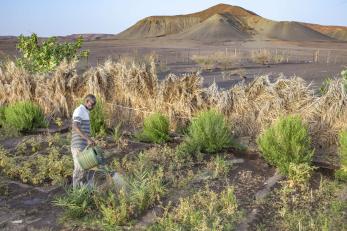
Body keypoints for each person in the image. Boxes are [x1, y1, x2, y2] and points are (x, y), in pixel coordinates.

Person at [71, 94, 96, 188]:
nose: (93, 106)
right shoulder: (79, 110)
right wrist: (88, 139)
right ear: (86, 101)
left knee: (84, 169)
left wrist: (90, 140)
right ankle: (76, 196)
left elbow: (83, 129)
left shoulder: (85, 112)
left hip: (83, 145)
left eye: (94, 105)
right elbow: (75, 126)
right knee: (78, 169)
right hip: (77, 146)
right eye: (92, 104)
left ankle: (83, 193)